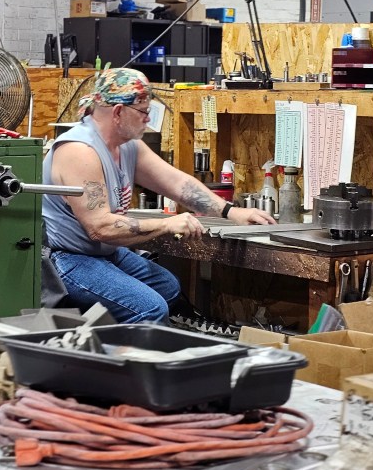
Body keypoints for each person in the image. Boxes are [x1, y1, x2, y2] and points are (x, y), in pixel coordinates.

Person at [42, 67, 275, 324]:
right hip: (68, 258)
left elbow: (177, 183)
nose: (148, 120)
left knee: (168, 287)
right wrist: (166, 224)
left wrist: (232, 212)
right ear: (119, 112)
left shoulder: (127, 146)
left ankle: (113, 340)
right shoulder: (80, 151)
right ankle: (132, 361)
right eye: (144, 112)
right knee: (150, 308)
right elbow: (101, 228)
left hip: (104, 253)